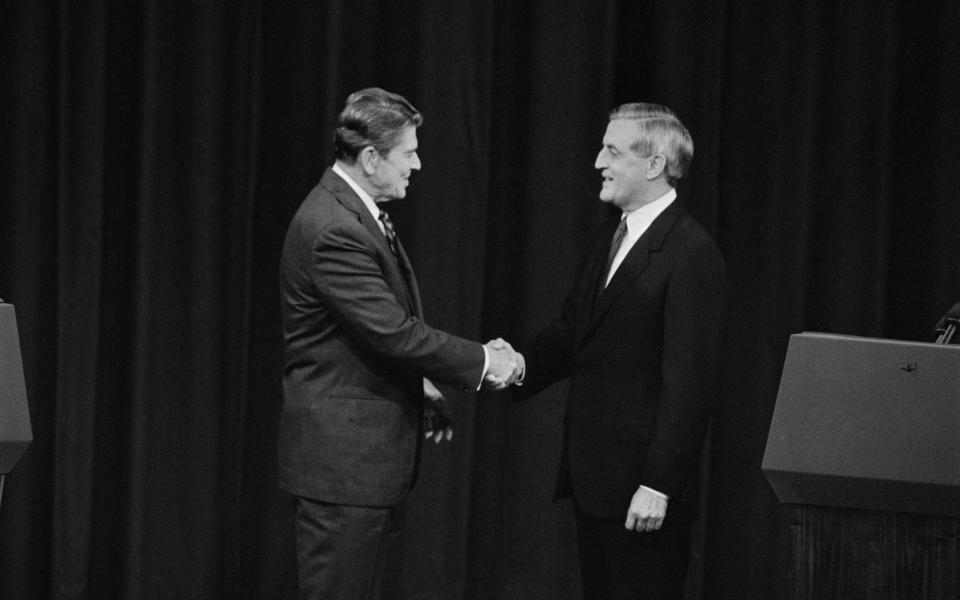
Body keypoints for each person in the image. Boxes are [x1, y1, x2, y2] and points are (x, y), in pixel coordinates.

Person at [278, 87, 523, 599]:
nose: (417, 164)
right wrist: (486, 361)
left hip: (358, 469)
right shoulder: (334, 228)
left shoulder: (353, 211)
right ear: (371, 158)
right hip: (344, 470)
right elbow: (393, 332)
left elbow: (366, 337)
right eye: (408, 152)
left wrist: (420, 387)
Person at [513, 102, 727, 599]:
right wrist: (507, 367)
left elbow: (690, 386)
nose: (597, 162)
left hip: (642, 495)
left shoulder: (692, 254)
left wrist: (659, 484)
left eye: (612, 150)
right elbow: (573, 333)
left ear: (654, 165)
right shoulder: (613, 236)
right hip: (597, 486)